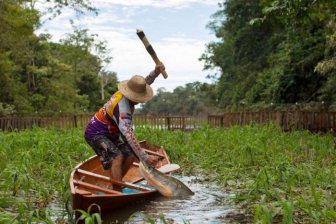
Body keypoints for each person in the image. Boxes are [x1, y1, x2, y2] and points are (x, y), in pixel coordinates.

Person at [84, 63, 165, 191]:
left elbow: (142, 85)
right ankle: (116, 189)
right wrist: (144, 157)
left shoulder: (127, 93)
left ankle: (115, 183)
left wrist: (155, 72)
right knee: (117, 156)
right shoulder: (123, 110)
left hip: (111, 133)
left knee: (131, 154)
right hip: (96, 133)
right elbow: (129, 136)